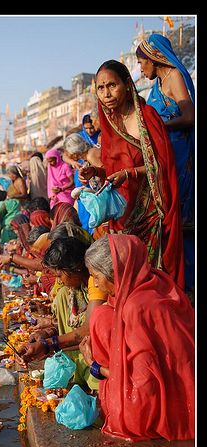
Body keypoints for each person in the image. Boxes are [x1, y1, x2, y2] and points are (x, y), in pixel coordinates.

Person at [65, 60, 185, 290]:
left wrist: (129, 174)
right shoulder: (110, 123)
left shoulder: (147, 117)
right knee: (124, 279)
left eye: (112, 85)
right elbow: (112, 169)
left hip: (150, 211)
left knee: (151, 280)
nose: (106, 93)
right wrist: (94, 172)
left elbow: (162, 166)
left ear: (127, 85)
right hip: (122, 214)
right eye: (101, 88)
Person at [77, 233, 194, 441]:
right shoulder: (157, 281)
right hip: (186, 387)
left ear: (116, 273)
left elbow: (146, 380)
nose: (95, 284)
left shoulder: (135, 307)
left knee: (101, 317)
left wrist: (95, 366)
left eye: (96, 276)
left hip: (165, 406)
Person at [136, 34, 195, 298]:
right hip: (164, 157)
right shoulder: (157, 85)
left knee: (181, 221)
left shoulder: (174, 77)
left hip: (179, 158)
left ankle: (188, 285)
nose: (140, 68)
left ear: (154, 57)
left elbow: (189, 116)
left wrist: (158, 128)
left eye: (141, 62)